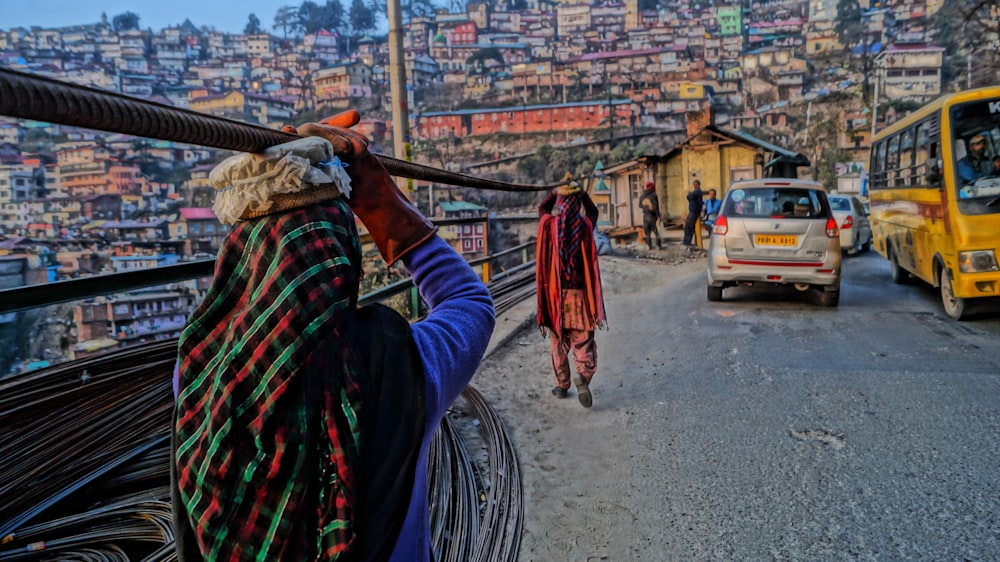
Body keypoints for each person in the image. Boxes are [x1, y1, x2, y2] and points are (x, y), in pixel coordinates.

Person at [171, 110, 495, 562]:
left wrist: (280, 169)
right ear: (341, 253)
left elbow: (233, 304)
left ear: (241, 255)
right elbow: (469, 301)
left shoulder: (200, 370)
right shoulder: (404, 365)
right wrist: (380, 203)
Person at [536, 173, 607, 408]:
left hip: (556, 297)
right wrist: (580, 192)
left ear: (560, 204)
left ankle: (561, 385)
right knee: (583, 342)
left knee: (557, 343)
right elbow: (593, 212)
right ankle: (583, 376)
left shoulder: (549, 226)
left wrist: (557, 191)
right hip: (579, 298)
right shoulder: (585, 226)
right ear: (576, 203)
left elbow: (542, 208)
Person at [638, 180, 662, 250]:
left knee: (647, 232)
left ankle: (649, 246)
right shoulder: (654, 195)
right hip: (652, 216)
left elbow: (640, 205)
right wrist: (658, 216)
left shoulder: (642, 196)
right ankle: (658, 245)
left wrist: (645, 207)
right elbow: (656, 207)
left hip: (645, 216)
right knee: (655, 231)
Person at [683, 179, 704, 246]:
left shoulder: (697, 191)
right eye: (694, 184)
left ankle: (687, 242)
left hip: (693, 212)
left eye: (695, 184)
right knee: (689, 227)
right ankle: (687, 241)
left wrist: (690, 194)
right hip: (693, 211)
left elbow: (689, 197)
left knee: (689, 227)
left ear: (698, 185)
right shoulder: (697, 192)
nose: (694, 186)